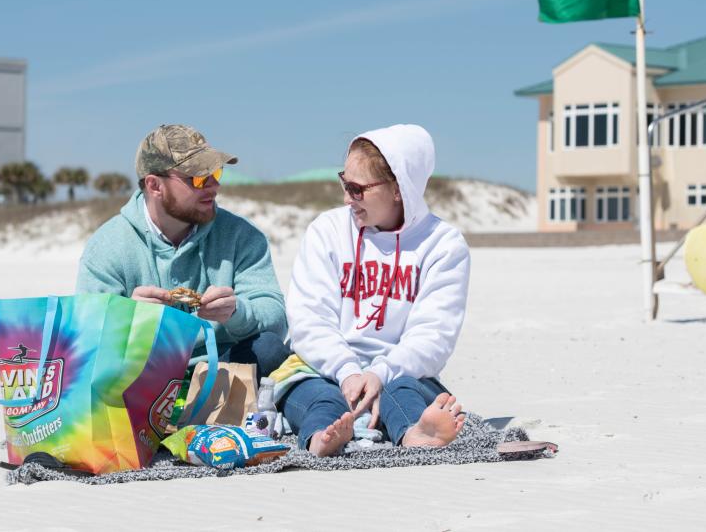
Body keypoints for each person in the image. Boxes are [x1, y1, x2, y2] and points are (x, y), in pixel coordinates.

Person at [282, 124, 471, 455]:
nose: (346, 198)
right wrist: (347, 372)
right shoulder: (327, 230)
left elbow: (434, 334)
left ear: (399, 188)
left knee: (403, 392)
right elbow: (308, 317)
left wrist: (380, 373)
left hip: (400, 371)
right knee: (312, 392)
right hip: (327, 368)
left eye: (357, 189)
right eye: (344, 183)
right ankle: (321, 438)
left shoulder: (443, 244)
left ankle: (415, 432)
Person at [76, 124, 289, 376]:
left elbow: (276, 319)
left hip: (220, 370)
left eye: (216, 173)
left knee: (269, 349)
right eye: (198, 178)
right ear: (155, 185)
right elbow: (84, 338)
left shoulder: (241, 235)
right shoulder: (108, 245)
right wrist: (128, 319)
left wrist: (236, 312)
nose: (213, 186)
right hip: (142, 376)